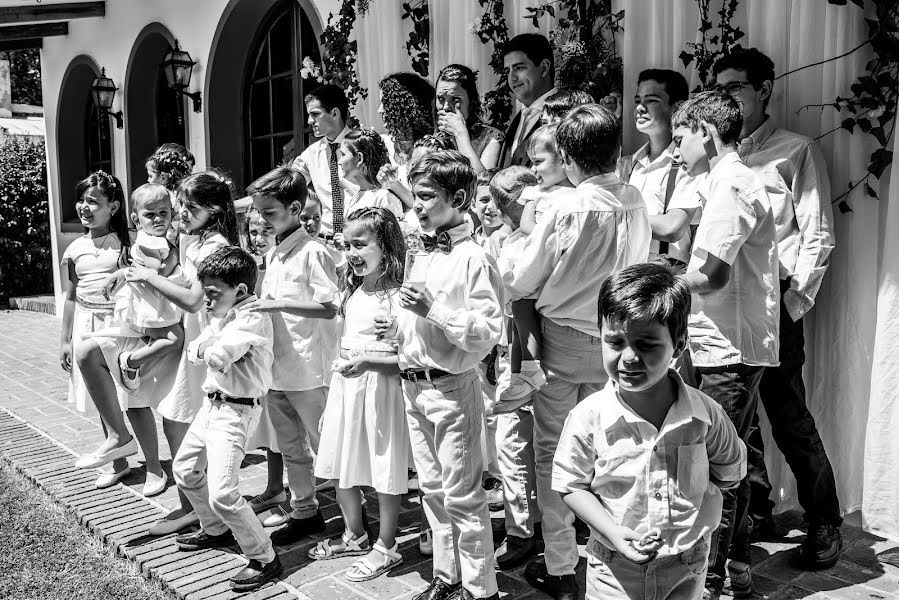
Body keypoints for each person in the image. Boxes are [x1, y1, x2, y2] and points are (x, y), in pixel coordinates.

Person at [502, 104, 650, 600]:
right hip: (614, 336)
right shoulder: (634, 198)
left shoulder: (568, 206)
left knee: (555, 453)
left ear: (566, 156)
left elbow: (522, 278)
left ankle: (562, 566)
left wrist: (516, 240)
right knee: (609, 447)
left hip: (563, 337)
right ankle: (613, 549)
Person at [713, 48, 841, 569]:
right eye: (719, 88)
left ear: (764, 89)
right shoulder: (712, 154)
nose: (727, 97)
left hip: (776, 302)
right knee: (736, 420)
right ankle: (757, 512)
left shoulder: (794, 151)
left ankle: (824, 521)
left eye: (736, 87)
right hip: (725, 307)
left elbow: (817, 235)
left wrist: (792, 303)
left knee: (788, 416)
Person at [553, 263, 747, 600]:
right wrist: (613, 532)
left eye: (647, 345)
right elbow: (570, 485)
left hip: (688, 562)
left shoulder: (705, 417)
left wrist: (706, 498)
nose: (628, 357)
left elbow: (730, 469)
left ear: (680, 344)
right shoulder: (588, 417)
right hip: (614, 569)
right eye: (614, 342)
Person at [376, 150, 504, 600]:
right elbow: (420, 316)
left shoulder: (473, 257)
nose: (417, 204)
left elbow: (489, 329)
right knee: (432, 490)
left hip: (451, 388)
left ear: (461, 197)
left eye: (427, 196)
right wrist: (399, 326)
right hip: (413, 385)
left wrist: (432, 310)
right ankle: (446, 577)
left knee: (464, 495)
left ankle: (479, 587)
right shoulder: (424, 248)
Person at [671, 91, 780, 600]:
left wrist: (657, 279)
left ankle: (708, 579)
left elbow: (711, 274)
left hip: (727, 346)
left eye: (679, 137)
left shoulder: (732, 183)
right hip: (723, 342)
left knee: (716, 463)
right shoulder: (723, 180)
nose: (673, 149)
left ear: (707, 134)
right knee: (731, 454)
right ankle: (731, 566)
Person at [173, 246, 283, 592]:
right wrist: (207, 346)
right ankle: (217, 530)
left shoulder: (252, 317)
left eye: (212, 293)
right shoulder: (223, 316)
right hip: (212, 405)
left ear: (240, 291)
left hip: (237, 411)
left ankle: (265, 557)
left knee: (224, 493)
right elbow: (194, 350)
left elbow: (217, 355)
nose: (205, 301)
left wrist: (208, 348)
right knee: (185, 470)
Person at [310, 207, 410, 582]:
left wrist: (390, 339)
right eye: (346, 244)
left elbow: (402, 355)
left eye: (360, 244)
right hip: (347, 383)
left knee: (384, 467)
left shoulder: (397, 296)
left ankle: (388, 545)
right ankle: (354, 531)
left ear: (384, 245)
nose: (351, 252)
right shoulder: (351, 288)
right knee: (339, 461)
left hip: (380, 387)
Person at [245, 166, 339, 545]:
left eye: (269, 212)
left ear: (296, 208)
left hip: (307, 369)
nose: (262, 221)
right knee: (290, 447)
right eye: (260, 213)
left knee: (325, 445)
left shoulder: (312, 252)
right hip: (278, 368)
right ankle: (305, 511)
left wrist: (275, 304)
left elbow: (329, 306)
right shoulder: (276, 255)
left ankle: (357, 516)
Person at [60, 171, 135, 488]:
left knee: (123, 394)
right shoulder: (74, 248)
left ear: (114, 206)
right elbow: (71, 296)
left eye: (93, 201)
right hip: (84, 324)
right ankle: (116, 460)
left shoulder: (125, 245)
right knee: (99, 394)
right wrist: (65, 340)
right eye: (82, 200)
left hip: (116, 325)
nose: (84, 207)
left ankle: (131, 447)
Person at [486, 166, 544, 570]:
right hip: (512, 345)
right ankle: (528, 522)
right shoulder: (502, 240)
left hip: (528, 350)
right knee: (520, 444)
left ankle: (522, 530)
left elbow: (521, 306)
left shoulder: (524, 244)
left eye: (502, 200)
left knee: (515, 444)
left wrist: (523, 367)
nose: (494, 207)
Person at [90, 184, 184, 392]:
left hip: (153, 303)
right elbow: (158, 271)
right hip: (148, 306)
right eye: (150, 214)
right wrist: (177, 253)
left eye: (163, 213)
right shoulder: (147, 240)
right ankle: (130, 361)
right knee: (174, 340)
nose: (158, 219)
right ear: (136, 219)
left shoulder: (158, 238)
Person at [617, 69, 703, 270]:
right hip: (626, 270)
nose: (640, 107)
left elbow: (672, 227)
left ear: (676, 107)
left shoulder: (687, 165)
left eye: (651, 100)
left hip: (666, 274)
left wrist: (614, 217)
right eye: (638, 100)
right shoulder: (627, 165)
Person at [240, 208, 287, 521]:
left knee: (285, 428)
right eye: (253, 232)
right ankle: (274, 486)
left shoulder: (280, 261)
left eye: (265, 232)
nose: (258, 239)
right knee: (270, 427)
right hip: (260, 355)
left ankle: (294, 491)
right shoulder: (251, 262)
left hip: (282, 351)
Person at [291, 84, 359, 249]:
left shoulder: (363, 145)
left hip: (358, 243)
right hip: (323, 244)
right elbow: (284, 186)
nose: (309, 121)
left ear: (334, 113)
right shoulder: (311, 154)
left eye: (315, 114)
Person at [499, 34, 558, 168]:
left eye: (519, 67)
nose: (512, 78)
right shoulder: (517, 120)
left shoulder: (566, 114)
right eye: (507, 71)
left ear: (543, 68)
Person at [435, 64, 503, 173]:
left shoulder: (490, 138)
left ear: (471, 101)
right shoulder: (433, 137)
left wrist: (460, 133)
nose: (446, 107)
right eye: (441, 99)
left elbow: (482, 184)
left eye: (455, 99)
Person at [338, 129, 404, 219]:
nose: (339, 162)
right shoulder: (354, 198)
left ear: (360, 159)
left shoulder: (382, 198)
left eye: (343, 154)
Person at [378, 72, 435, 164]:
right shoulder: (385, 145)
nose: (380, 110)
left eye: (385, 104)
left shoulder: (429, 148)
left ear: (402, 107)